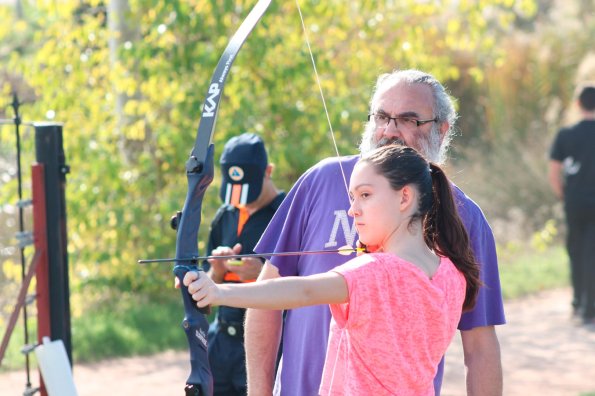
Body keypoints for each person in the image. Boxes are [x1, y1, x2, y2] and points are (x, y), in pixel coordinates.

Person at [246, 69, 506, 395]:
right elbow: (267, 296)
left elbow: (480, 346)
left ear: (442, 130)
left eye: (409, 120)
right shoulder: (321, 180)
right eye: (381, 116)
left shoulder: (463, 215)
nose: (389, 131)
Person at [184, 144, 483, 394]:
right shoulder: (452, 274)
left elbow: (303, 290)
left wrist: (217, 291)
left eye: (365, 195)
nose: (353, 209)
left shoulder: (374, 272)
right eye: (352, 197)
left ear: (405, 197)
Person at [202, 132, 285, 395]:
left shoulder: (287, 213)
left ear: (268, 171)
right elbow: (204, 295)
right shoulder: (226, 214)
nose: (241, 199)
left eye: (247, 189)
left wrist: (262, 273)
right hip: (220, 343)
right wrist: (216, 271)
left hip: (266, 342)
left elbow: (310, 285)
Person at [548, 83, 595, 324]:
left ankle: (578, 302)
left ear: (578, 105)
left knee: (576, 251)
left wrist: (564, 197)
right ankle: (591, 307)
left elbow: (555, 174)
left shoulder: (565, 136)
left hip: (575, 202)